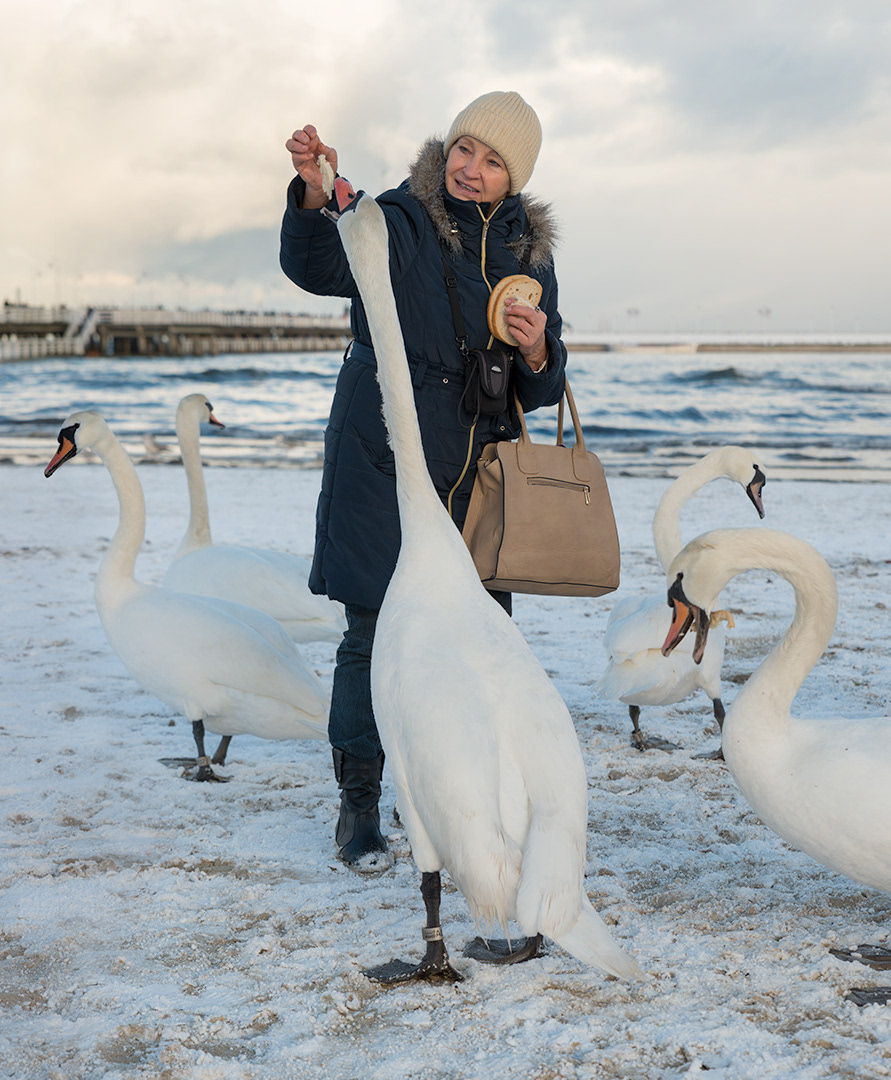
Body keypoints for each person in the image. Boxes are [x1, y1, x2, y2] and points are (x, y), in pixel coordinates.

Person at [280, 90, 568, 874]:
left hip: (481, 476)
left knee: (477, 642)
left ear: (517, 176)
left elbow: (539, 390)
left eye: (494, 160)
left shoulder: (527, 255)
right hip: (385, 456)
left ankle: (452, 795)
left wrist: (539, 348)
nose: (472, 170)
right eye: (465, 150)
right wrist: (314, 193)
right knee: (373, 634)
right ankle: (359, 806)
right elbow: (317, 264)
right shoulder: (402, 217)